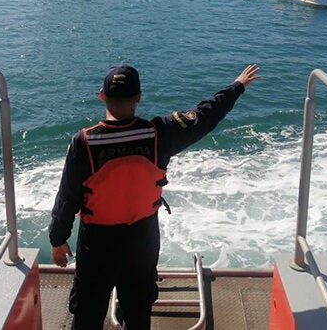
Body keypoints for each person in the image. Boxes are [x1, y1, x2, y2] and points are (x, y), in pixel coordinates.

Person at [49, 64, 262, 329]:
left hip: (97, 245)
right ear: (138, 97)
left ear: (102, 95)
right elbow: (206, 114)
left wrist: (58, 240)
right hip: (141, 241)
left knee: (87, 316)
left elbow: (67, 197)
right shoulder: (160, 134)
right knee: (138, 314)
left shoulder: (84, 142)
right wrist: (237, 86)